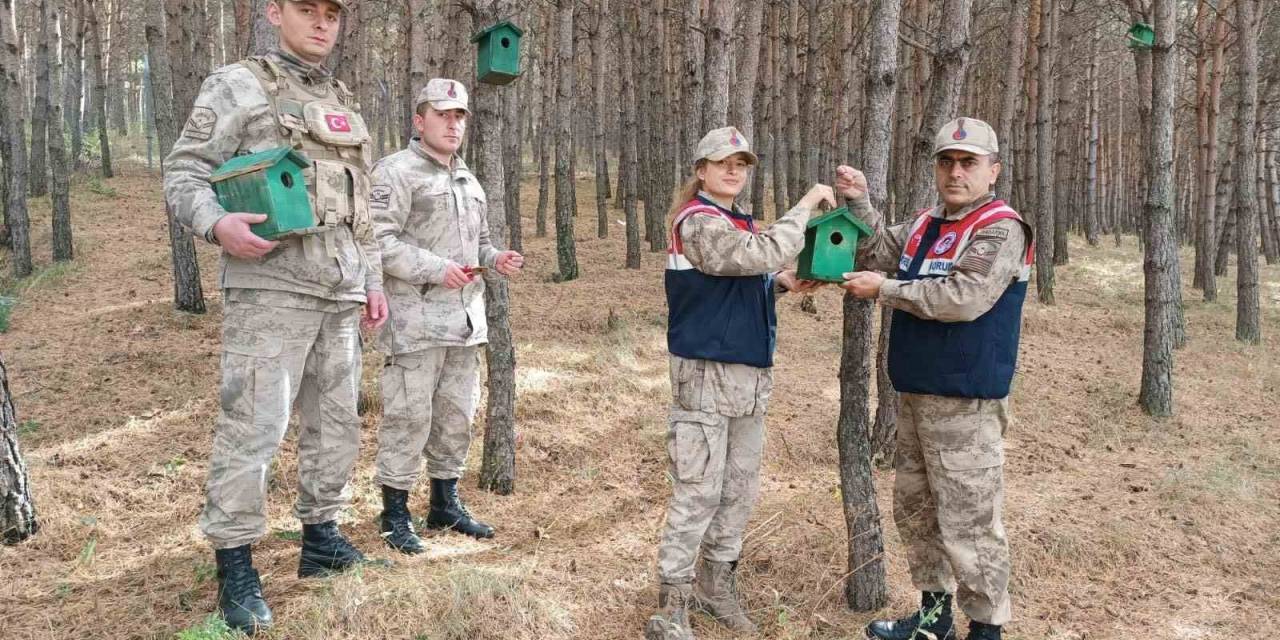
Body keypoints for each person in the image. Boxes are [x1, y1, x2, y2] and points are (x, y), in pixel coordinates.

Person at [163, 0, 386, 633]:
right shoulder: (239, 84)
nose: (322, 23)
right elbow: (184, 170)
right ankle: (235, 562)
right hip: (272, 289)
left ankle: (322, 537)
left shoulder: (342, 97)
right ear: (274, 12)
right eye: (307, 9)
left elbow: (359, 201)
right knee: (254, 428)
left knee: (337, 425)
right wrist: (216, 224)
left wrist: (370, 277)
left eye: (333, 14)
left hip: (340, 291)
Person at [836, 117, 1033, 640]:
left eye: (968, 163)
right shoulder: (927, 224)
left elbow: (964, 298)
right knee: (918, 514)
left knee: (971, 524)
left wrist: (887, 291)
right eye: (946, 161)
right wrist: (859, 202)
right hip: (917, 395)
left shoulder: (999, 227)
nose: (955, 172)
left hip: (966, 401)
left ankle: (986, 630)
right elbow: (879, 251)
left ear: (993, 170)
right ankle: (932, 621)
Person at [645, 126, 832, 640]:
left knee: (738, 489)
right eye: (723, 161)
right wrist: (809, 202)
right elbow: (756, 253)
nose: (733, 170)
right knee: (697, 490)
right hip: (705, 374)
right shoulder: (699, 220)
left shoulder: (732, 220)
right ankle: (673, 601)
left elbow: (738, 283)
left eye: (742, 163)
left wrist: (782, 285)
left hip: (749, 376)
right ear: (701, 170)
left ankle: (716, 587)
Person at [367, 79, 524, 554]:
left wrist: (495, 259)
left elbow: (477, 244)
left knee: (456, 417)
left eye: (459, 117)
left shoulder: (467, 178)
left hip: (463, 323)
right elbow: (378, 240)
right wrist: (437, 269)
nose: (453, 124)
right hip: (415, 323)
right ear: (420, 121)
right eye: (443, 115)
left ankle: (444, 503)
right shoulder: (395, 173)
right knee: (408, 417)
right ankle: (394, 513)